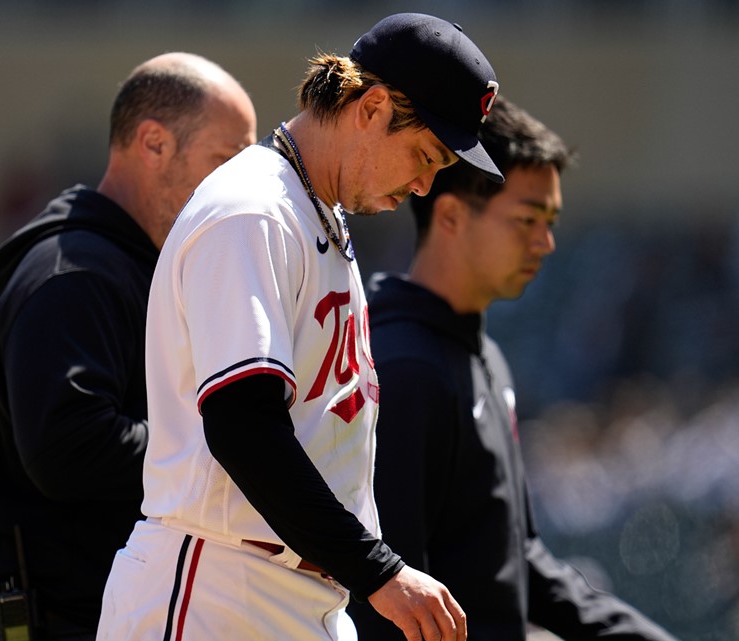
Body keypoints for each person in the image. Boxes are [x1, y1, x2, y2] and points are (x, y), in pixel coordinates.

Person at [96, 13, 504, 641]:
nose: (426, 184)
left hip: (293, 591)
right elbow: (242, 424)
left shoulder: (316, 212)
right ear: (370, 107)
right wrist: (381, 572)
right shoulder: (254, 210)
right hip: (215, 586)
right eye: (425, 154)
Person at [347, 96, 681, 641]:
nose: (545, 242)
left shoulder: (483, 358)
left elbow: (514, 554)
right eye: (526, 219)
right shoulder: (402, 369)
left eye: (549, 222)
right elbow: (383, 596)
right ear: (451, 215)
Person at [0, 52, 257, 641]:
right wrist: (236, 453)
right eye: (223, 162)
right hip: (61, 623)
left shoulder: (138, 267)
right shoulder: (74, 273)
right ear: (153, 144)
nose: (236, 189)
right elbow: (70, 447)